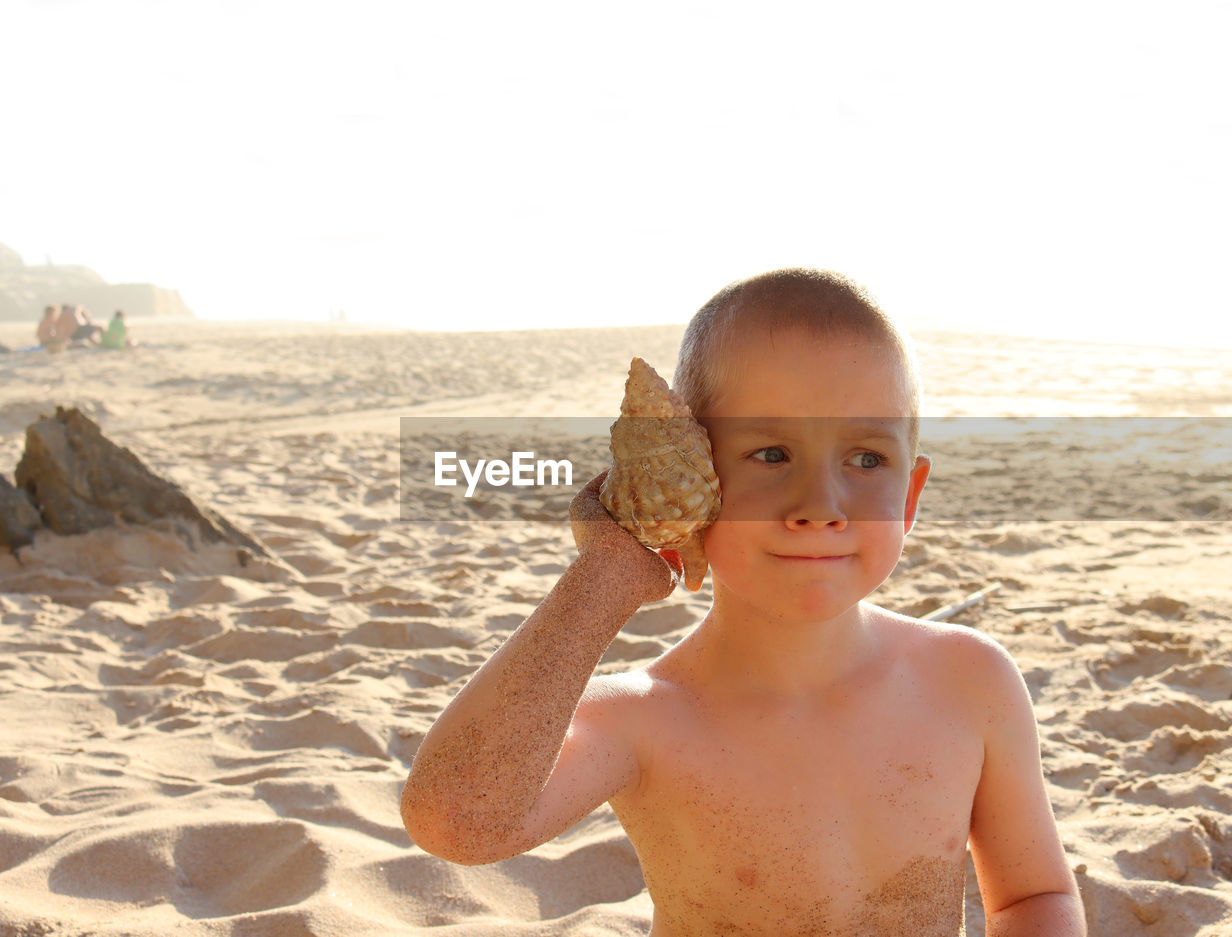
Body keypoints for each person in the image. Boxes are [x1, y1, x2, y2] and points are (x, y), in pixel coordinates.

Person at [399, 268, 1085, 936]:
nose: (821, 506)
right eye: (772, 452)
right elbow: (457, 820)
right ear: (695, 476)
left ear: (909, 496)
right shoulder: (646, 718)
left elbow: (1034, 893)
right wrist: (607, 574)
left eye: (867, 459)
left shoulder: (970, 681)